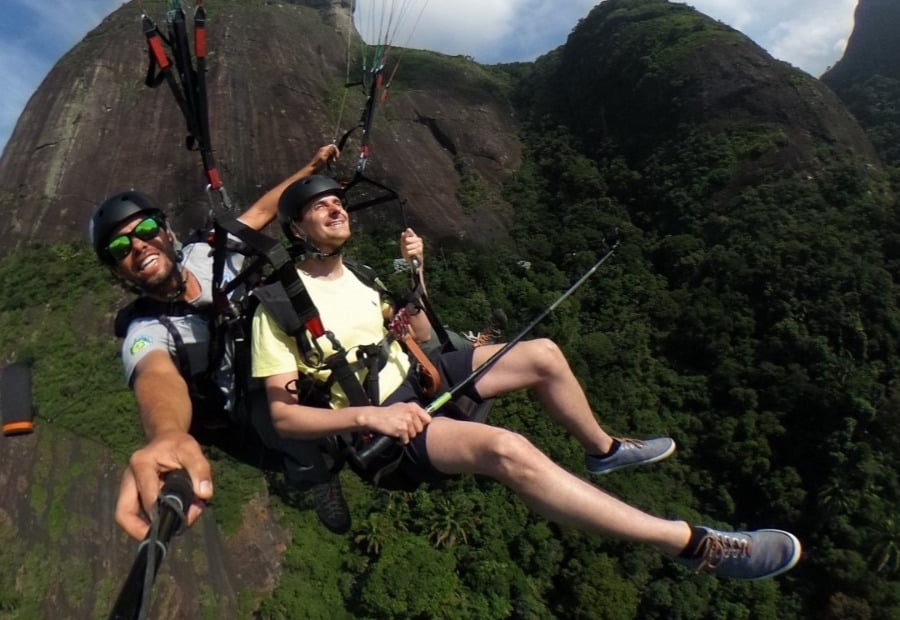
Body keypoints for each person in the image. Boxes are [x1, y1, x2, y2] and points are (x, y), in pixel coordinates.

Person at [251, 177, 801, 580]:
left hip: (420, 377)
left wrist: (417, 271)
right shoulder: (278, 306)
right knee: (506, 448)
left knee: (543, 355)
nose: (335, 208)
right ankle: (690, 544)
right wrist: (375, 416)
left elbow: (420, 329)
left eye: (338, 202)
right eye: (319, 206)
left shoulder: (363, 275)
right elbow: (284, 416)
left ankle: (604, 450)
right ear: (297, 228)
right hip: (382, 427)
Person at [91, 145, 352, 541]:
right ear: (117, 271)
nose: (138, 246)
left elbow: (260, 214)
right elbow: (155, 376)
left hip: (280, 348)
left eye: (145, 231)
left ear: (168, 233)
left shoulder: (205, 254)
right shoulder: (146, 331)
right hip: (245, 405)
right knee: (287, 429)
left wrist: (311, 168)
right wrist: (166, 435)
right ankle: (317, 477)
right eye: (119, 248)